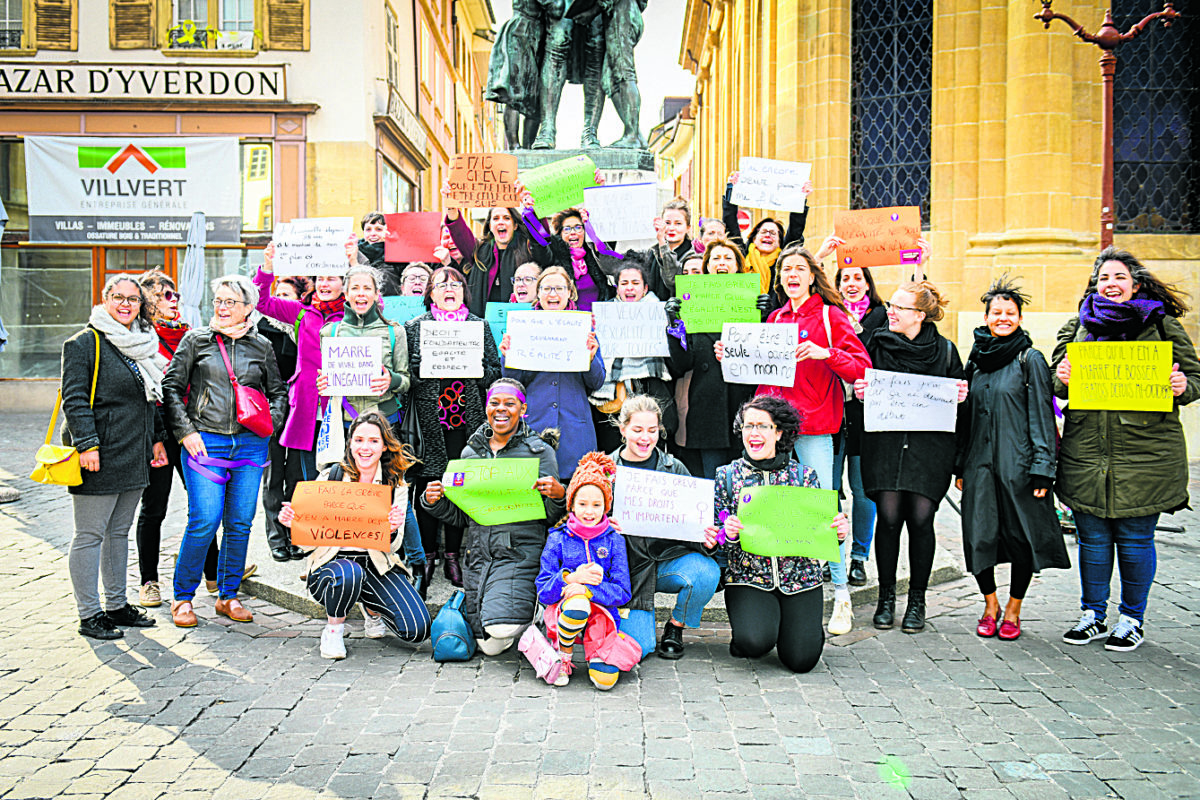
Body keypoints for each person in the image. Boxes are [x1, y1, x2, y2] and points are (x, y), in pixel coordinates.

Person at [715, 244, 869, 635]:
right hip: (773, 428)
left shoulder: (832, 317)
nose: (792, 275)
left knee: (821, 510)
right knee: (769, 504)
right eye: (786, 270)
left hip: (815, 428)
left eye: (799, 268)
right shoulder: (775, 317)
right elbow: (759, 371)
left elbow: (862, 369)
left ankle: (840, 595)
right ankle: (776, 582)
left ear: (813, 274)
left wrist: (825, 353)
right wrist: (729, 355)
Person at [1053, 247, 1199, 652]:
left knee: (1135, 539)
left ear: (1135, 285)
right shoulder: (1077, 328)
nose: (1110, 284)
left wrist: (1183, 387)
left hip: (1146, 453)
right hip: (1088, 451)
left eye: (1119, 277)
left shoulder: (1162, 324)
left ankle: (1132, 618)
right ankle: (1092, 614)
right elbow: (1054, 381)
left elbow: (1196, 377)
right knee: (1093, 539)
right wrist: (1062, 377)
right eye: (1103, 278)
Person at [162, 274, 288, 628]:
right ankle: (182, 597)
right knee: (204, 519)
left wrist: (270, 427)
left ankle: (227, 595)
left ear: (249, 307)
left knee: (240, 523)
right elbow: (170, 388)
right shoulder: (195, 340)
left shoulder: (261, 345)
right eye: (218, 300)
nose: (221, 306)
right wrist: (185, 432)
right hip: (206, 441)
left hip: (249, 444)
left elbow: (278, 393)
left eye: (230, 301)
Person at [956, 277, 1070, 641]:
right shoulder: (975, 360)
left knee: (1023, 538)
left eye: (1010, 313)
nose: (1002, 318)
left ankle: (1015, 608)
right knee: (979, 537)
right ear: (986, 316)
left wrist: (1042, 470)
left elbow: (1041, 415)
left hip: (1019, 465)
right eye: (996, 312)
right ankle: (990, 604)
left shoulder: (1029, 359)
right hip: (979, 465)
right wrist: (960, 465)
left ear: (1019, 318)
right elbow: (965, 420)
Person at [854, 281, 968, 634]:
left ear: (919, 315)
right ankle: (886, 597)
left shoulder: (945, 352)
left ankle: (917, 600)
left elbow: (962, 409)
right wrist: (859, 392)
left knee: (921, 520)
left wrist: (962, 396)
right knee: (887, 518)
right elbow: (856, 380)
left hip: (928, 451)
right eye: (892, 304)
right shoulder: (874, 343)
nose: (892, 311)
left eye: (900, 307)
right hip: (885, 447)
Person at [422, 378, 567, 656]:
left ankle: (535, 610)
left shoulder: (540, 452)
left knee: (500, 627)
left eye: (509, 404)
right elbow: (462, 517)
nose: (501, 409)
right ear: (486, 408)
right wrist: (433, 502)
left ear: (523, 409)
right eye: (495, 403)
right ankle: (497, 612)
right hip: (478, 556)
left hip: (520, 551)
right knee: (489, 646)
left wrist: (559, 495)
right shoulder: (469, 453)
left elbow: (548, 518)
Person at [707, 396, 850, 673]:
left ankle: (801, 630)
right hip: (749, 578)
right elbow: (716, 539)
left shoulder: (805, 477)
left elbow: (824, 534)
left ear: (779, 432)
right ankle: (750, 634)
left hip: (800, 578)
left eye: (763, 426)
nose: (754, 434)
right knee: (755, 642)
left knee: (801, 661)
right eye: (748, 426)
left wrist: (839, 533)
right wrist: (727, 534)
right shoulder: (726, 476)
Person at [62, 275, 167, 639]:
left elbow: (149, 398)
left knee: (118, 532)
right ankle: (89, 614)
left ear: (140, 304)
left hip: (134, 452)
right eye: (118, 297)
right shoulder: (84, 343)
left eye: (133, 299)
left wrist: (156, 440)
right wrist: (87, 445)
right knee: (90, 534)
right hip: (100, 454)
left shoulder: (140, 342)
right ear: (104, 299)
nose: (126, 304)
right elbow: (74, 400)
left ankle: (116, 605)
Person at [279, 412, 431, 659]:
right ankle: (334, 629)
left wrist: (391, 530)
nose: (365, 447)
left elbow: (394, 546)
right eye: (359, 440)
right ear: (350, 443)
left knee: (417, 629)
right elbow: (308, 541)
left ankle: (371, 608)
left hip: (376, 564)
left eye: (373, 441)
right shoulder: (333, 476)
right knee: (350, 573)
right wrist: (292, 524)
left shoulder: (396, 484)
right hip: (333, 565)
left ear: (384, 446)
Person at [405, 266, 503, 590]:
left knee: (461, 485)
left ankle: (452, 556)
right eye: (441, 284)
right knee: (430, 483)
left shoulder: (478, 326)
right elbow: (407, 374)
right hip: (430, 419)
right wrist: (424, 368)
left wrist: (476, 370)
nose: (450, 289)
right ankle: (428, 555)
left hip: (466, 419)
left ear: (464, 291)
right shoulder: (415, 328)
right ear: (430, 293)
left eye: (456, 284)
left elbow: (493, 372)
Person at [611, 395, 720, 659]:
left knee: (706, 573)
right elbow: (580, 519)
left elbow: (692, 520)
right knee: (641, 647)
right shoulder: (606, 469)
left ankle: (676, 625)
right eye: (637, 430)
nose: (645, 438)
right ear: (623, 429)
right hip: (627, 571)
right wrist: (602, 527)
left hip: (666, 561)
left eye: (652, 430)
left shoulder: (674, 467)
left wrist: (705, 536)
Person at [254, 237, 354, 505]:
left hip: (343, 406)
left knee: (343, 474)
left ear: (344, 283)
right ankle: (307, 541)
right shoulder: (302, 312)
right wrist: (268, 266)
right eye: (320, 278)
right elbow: (261, 303)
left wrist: (354, 260)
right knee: (306, 478)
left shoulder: (353, 314)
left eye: (332, 278)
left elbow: (375, 304)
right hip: (309, 407)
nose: (324, 284)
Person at [133, 270, 203, 607]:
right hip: (157, 436)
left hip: (190, 432)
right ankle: (149, 580)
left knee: (202, 503)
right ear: (147, 302)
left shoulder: (189, 336)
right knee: (154, 507)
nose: (171, 301)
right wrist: (157, 438)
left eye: (173, 295)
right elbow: (146, 397)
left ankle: (215, 572)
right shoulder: (139, 340)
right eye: (163, 296)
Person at [536, 452, 634, 688]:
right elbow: (543, 591)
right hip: (565, 609)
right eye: (582, 504)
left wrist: (590, 589)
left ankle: (598, 651)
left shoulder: (614, 540)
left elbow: (623, 592)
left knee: (604, 681)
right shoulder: (557, 539)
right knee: (577, 603)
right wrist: (571, 579)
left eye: (596, 505)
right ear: (571, 504)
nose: (589, 512)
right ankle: (562, 653)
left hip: (602, 615)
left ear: (606, 506)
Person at [501, 267, 605, 481]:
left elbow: (596, 383)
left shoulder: (583, 327)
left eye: (559, 288)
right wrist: (507, 356)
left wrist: (592, 358)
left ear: (570, 292)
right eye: (547, 288)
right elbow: (513, 383)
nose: (553, 294)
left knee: (574, 492)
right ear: (538, 293)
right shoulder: (523, 326)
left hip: (574, 429)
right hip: (534, 423)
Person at [669, 241, 755, 479]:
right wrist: (674, 326)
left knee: (745, 484)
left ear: (738, 267)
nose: (722, 263)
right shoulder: (692, 307)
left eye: (728, 258)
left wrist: (765, 315)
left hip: (743, 406)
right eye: (715, 258)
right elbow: (682, 364)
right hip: (708, 411)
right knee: (713, 485)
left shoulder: (753, 303)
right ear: (707, 268)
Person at [832, 260, 886, 586]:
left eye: (857, 278)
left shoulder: (881, 317)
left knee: (863, 490)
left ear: (867, 283)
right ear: (837, 285)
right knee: (829, 489)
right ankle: (831, 551)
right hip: (834, 413)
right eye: (845, 278)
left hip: (868, 416)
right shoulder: (830, 315)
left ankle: (859, 557)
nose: (851, 283)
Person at [591, 260, 676, 452]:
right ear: (617, 288)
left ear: (645, 288)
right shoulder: (604, 315)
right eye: (625, 283)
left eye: (636, 283)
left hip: (650, 389)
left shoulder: (659, 312)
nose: (630, 288)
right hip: (613, 399)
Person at [258, 275, 310, 563]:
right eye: (278, 293)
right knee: (274, 475)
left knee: (298, 475)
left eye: (287, 294)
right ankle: (276, 536)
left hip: (302, 408)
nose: (281, 298)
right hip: (273, 409)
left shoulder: (307, 327)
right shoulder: (262, 329)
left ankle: (295, 535)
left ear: (300, 299)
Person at [443, 200, 554, 317]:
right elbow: (460, 233)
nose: (501, 222)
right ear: (490, 226)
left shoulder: (528, 249)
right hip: (483, 324)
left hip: (521, 321)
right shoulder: (478, 252)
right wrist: (452, 208)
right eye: (496, 218)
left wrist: (533, 210)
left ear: (515, 225)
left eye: (506, 218)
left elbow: (541, 241)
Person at [722, 171, 812, 297]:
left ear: (780, 242)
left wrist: (800, 198)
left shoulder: (784, 262)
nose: (768, 235)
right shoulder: (740, 256)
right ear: (754, 238)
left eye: (773, 234)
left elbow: (795, 230)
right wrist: (731, 189)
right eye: (763, 232)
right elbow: (730, 222)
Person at [546, 207, 616, 311]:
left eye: (578, 227)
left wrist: (592, 220)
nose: (573, 232)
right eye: (567, 229)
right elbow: (539, 244)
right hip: (570, 321)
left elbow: (608, 231)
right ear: (560, 235)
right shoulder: (554, 258)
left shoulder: (594, 255)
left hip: (598, 319)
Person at [630, 198, 694, 300]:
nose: (672, 228)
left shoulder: (694, 255)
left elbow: (672, 280)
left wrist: (662, 243)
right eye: (667, 223)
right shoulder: (651, 253)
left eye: (678, 223)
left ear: (688, 228)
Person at [356, 212, 402, 295]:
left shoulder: (397, 253)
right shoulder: (355, 252)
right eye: (368, 229)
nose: (373, 234)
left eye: (379, 229)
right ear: (363, 233)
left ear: (387, 232)